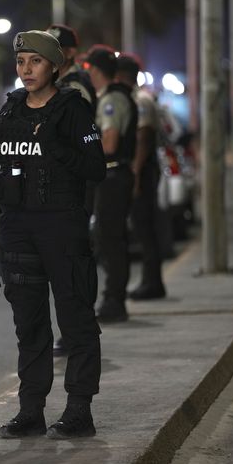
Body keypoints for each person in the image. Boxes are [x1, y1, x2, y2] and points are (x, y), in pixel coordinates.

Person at [0, 30, 106, 439]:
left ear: (53, 66)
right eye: (21, 61)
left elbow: (96, 168)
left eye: (35, 61)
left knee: (76, 319)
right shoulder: (11, 109)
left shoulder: (72, 109)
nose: (26, 69)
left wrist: (56, 148)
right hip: (17, 229)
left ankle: (79, 411)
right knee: (29, 325)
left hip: (61, 227)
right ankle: (30, 411)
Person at [46, 23, 97, 357]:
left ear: (70, 53)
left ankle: (78, 332)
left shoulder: (75, 86)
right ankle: (76, 331)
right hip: (64, 183)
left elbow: (82, 136)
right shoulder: (62, 84)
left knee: (72, 260)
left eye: (55, 48)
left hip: (75, 183)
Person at [85, 45, 137, 323]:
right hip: (112, 175)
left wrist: (81, 149)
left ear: (95, 70)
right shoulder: (111, 96)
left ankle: (114, 300)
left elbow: (109, 144)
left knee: (110, 239)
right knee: (110, 238)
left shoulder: (112, 100)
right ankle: (114, 298)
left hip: (113, 175)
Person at [116, 53, 167, 300]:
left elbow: (143, 138)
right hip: (140, 168)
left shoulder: (141, 99)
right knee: (141, 226)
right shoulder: (134, 98)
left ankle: (153, 283)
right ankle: (149, 281)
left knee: (145, 226)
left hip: (143, 169)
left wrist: (135, 174)